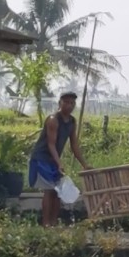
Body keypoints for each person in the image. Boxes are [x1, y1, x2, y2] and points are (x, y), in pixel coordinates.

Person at [28, 92, 90, 226]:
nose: (69, 105)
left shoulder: (72, 121)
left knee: (57, 192)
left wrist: (84, 164)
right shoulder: (53, 119)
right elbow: (51, 144)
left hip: (53, 160)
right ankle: (46, 224)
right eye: (66, 102)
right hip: (42, 158)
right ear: (60, 103)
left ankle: (54, 223)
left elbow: (74, 145)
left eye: (72, 103)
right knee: (49, 190)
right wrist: (59, 163)